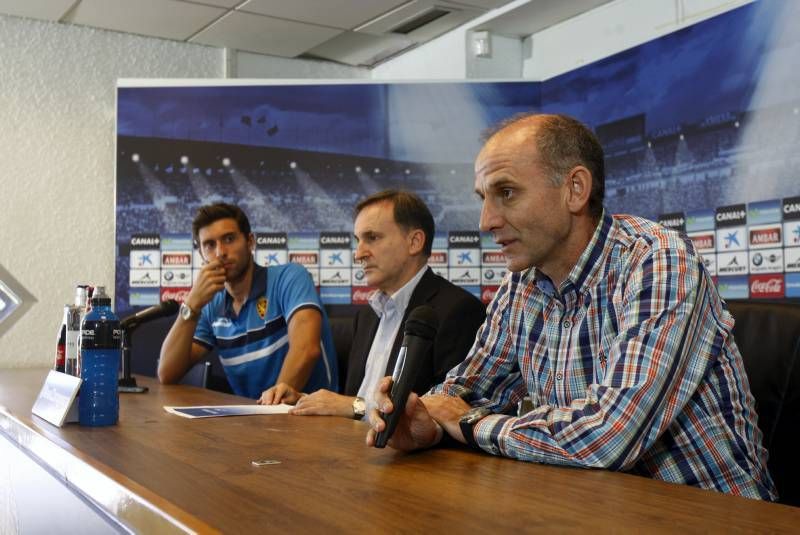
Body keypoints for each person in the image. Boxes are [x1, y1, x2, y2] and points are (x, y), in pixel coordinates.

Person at [366, 114, 777, 500]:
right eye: (483, 198)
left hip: (711, 515)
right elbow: (464, 392)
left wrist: (470, 423)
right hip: (590, 506)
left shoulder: (657, 261)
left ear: (575, 189)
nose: (486, 220)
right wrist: (423, 421)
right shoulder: (520, 285)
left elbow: (610, 437)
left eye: (506, 193)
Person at [268, 190, 485, 419]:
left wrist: (355, 407)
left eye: (372, 238)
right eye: (358, 241)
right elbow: (351, 400)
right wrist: (305, 401)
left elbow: (450, 412)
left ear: (414, 242)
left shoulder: (459, 310)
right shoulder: (366, 316)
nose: (358, 254)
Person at [158, 202, 338, 403]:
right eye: (209, 245)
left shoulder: (289, 278)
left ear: (250, 241)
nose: (220, 252)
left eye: (229, 239)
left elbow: (306, 350)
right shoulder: (211, 307)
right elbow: (167, 373)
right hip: (252, 421)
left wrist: (268, 412)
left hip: (312, 419)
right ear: (201, 254)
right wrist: (191, 305)